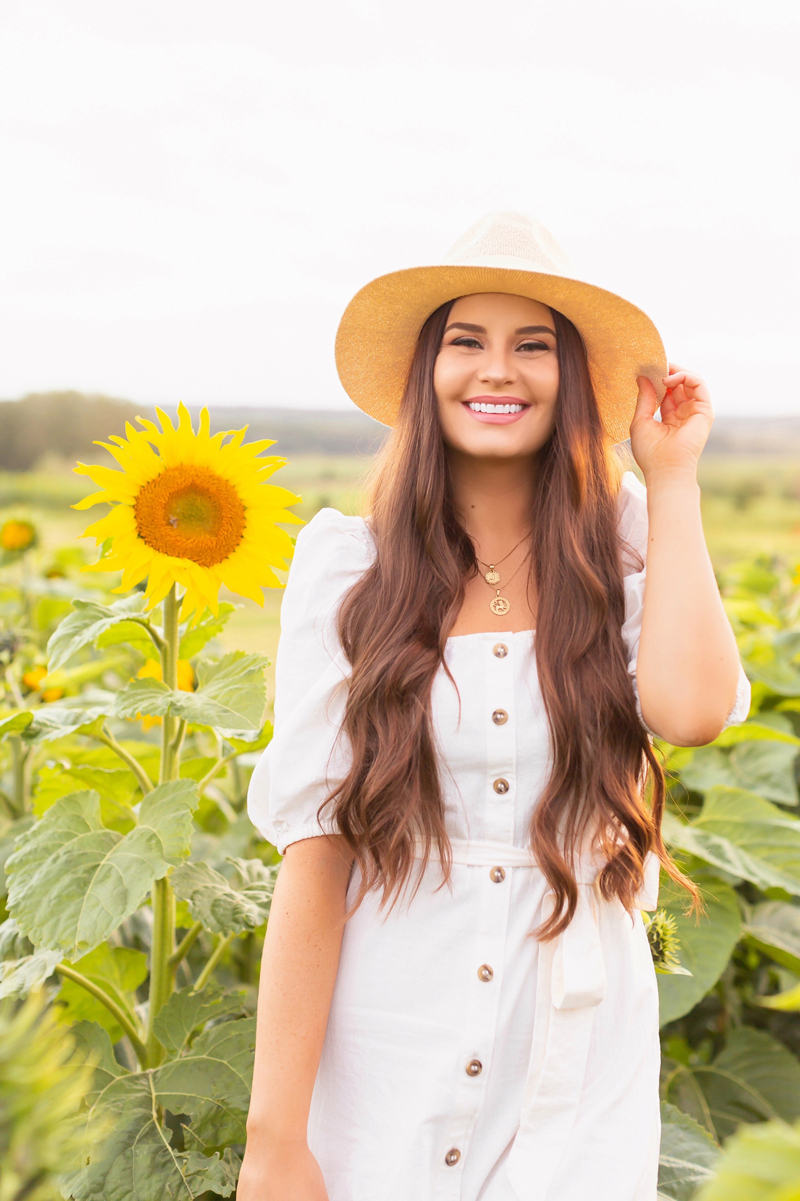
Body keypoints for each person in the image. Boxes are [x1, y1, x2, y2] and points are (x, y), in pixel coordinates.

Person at [238, 211, 749, 1201]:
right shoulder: (352, 567)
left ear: (567, 379)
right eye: (465, 341)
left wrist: (671, 476)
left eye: (532, 346)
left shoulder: (625, 553)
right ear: (425, 371)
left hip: (577, 1029)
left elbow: (691, 712)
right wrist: (274, 1135)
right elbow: (316, 849)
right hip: (392, 1028)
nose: (496, 371)